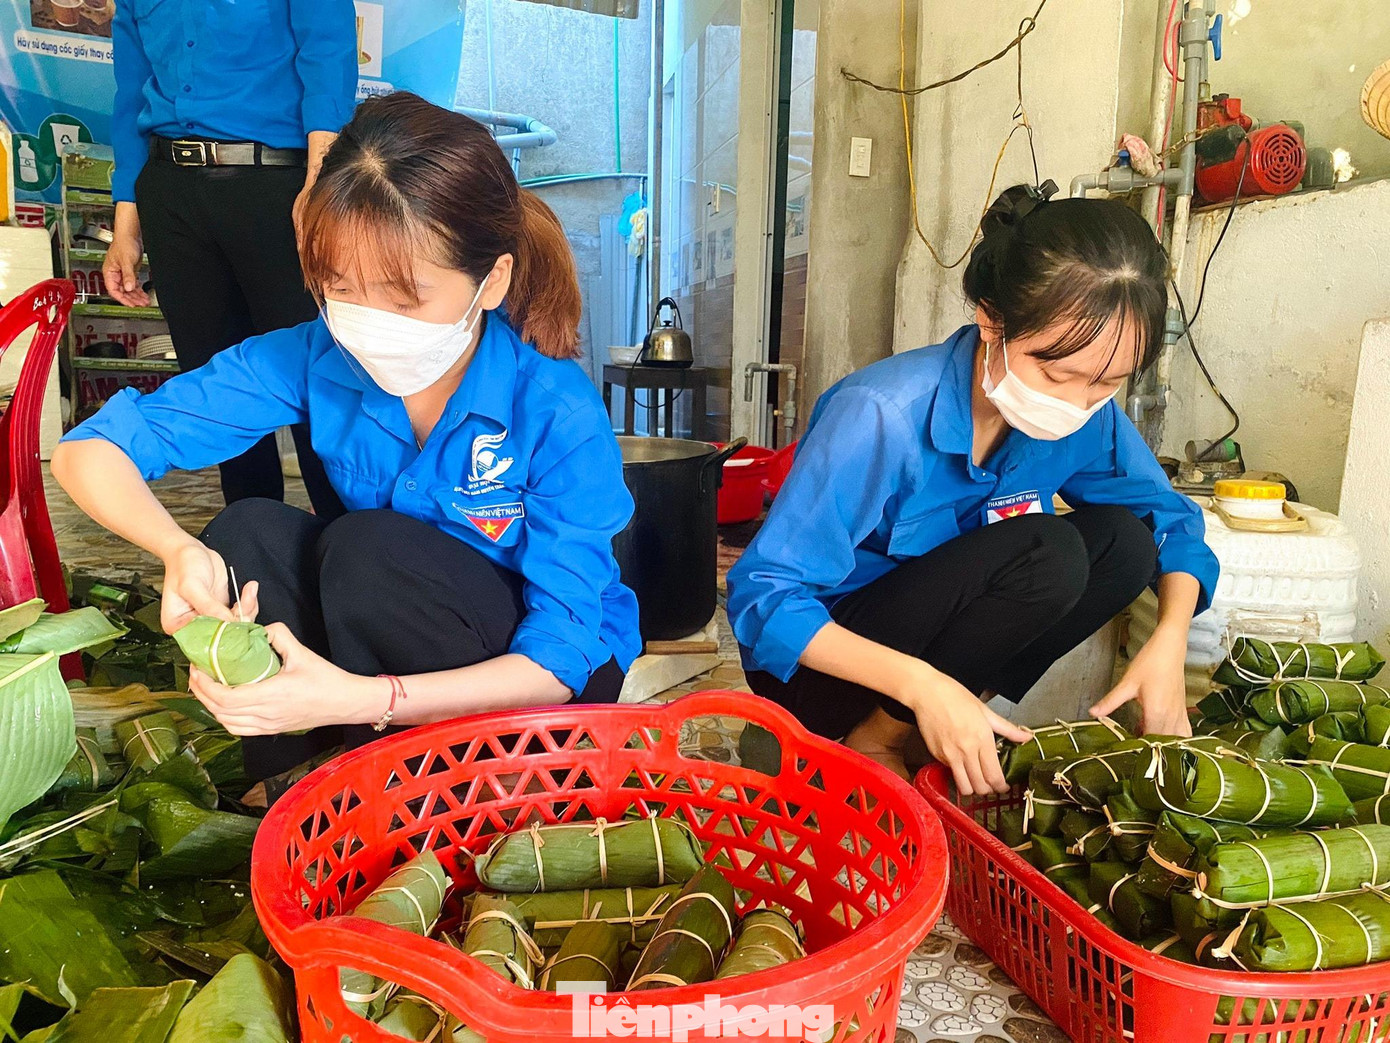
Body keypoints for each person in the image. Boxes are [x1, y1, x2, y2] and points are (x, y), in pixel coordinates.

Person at [55, 93, 641, 781]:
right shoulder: (316, 355)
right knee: (245, 536)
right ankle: (291, 777)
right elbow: (90, 450)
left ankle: (438, 772)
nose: (368, 322)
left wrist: (366, 698)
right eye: (339, 287)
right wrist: (176, 549)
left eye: (405, 297)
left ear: (492, 281)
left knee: (367, 547)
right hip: (391, 625)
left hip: (537, 680)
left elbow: (558, 661)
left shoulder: (554, 408)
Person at [727, 184, 1219, 794]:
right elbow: (764, 597)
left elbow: (1167, 518)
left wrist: (1170, 638)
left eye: (1106, 382)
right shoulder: (882, 415)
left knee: (1124, 542)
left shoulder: (1088, 416)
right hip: (824, 665)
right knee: (1048, 553)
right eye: (1055, 373)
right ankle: (875, 738)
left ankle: (934, 719)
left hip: (937, 648)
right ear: (992, 319)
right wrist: (920, 684)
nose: (1078, 404)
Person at [102, 0, 358, 516]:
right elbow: (129, 93)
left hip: (279, 188)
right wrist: (126, 228)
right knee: (216, 381)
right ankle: (250, 534)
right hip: (170, 192)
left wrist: (319, 183)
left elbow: (327, 50)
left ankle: (349, 538)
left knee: (317, 375)